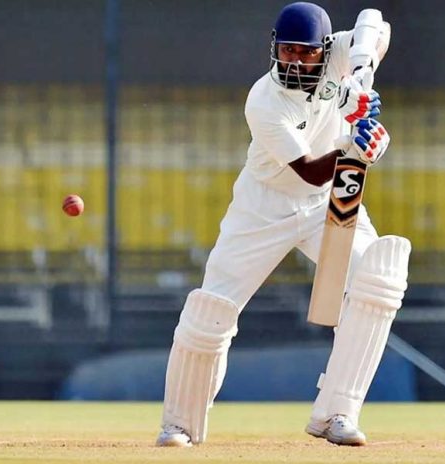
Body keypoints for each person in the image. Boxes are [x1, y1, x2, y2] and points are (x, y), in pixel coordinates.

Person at [156, 2, 410, 447]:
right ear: (274, 48)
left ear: (325, 48)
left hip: (327, 204)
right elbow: (309, 170)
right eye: (287, 50)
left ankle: (336, 414)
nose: (295, 60)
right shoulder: (263, 100)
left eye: (305, 52)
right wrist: (355, 146)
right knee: (211, 309)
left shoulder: (341, 55)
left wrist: (359, 75)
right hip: (264, 206)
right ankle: (179, 424)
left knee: (378, 277)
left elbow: (376, 23)